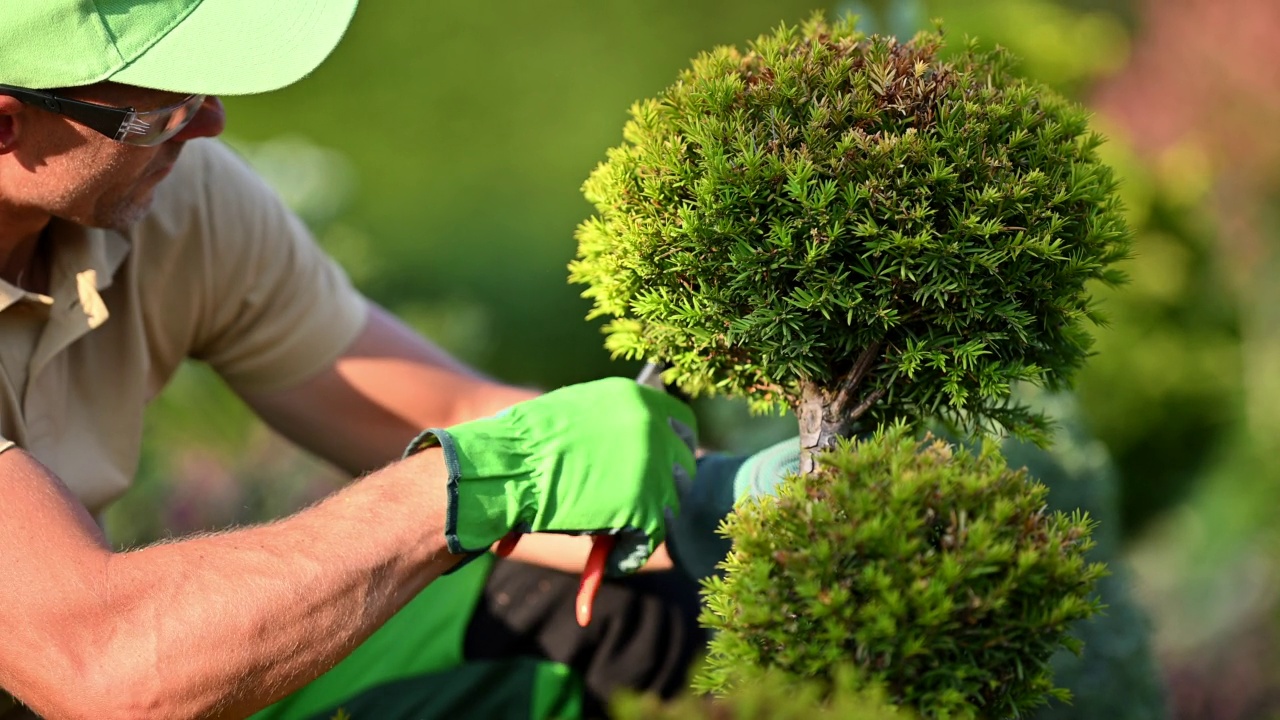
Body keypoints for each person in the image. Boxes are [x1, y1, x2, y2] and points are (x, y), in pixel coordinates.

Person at [0, 2, 773, 718]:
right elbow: (104, 665)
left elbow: (446, 414)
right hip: (109, 673)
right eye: (162, 110)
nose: (209, 123)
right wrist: (476, 483)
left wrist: (746, 505)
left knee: (623, 612)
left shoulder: (174, 196)